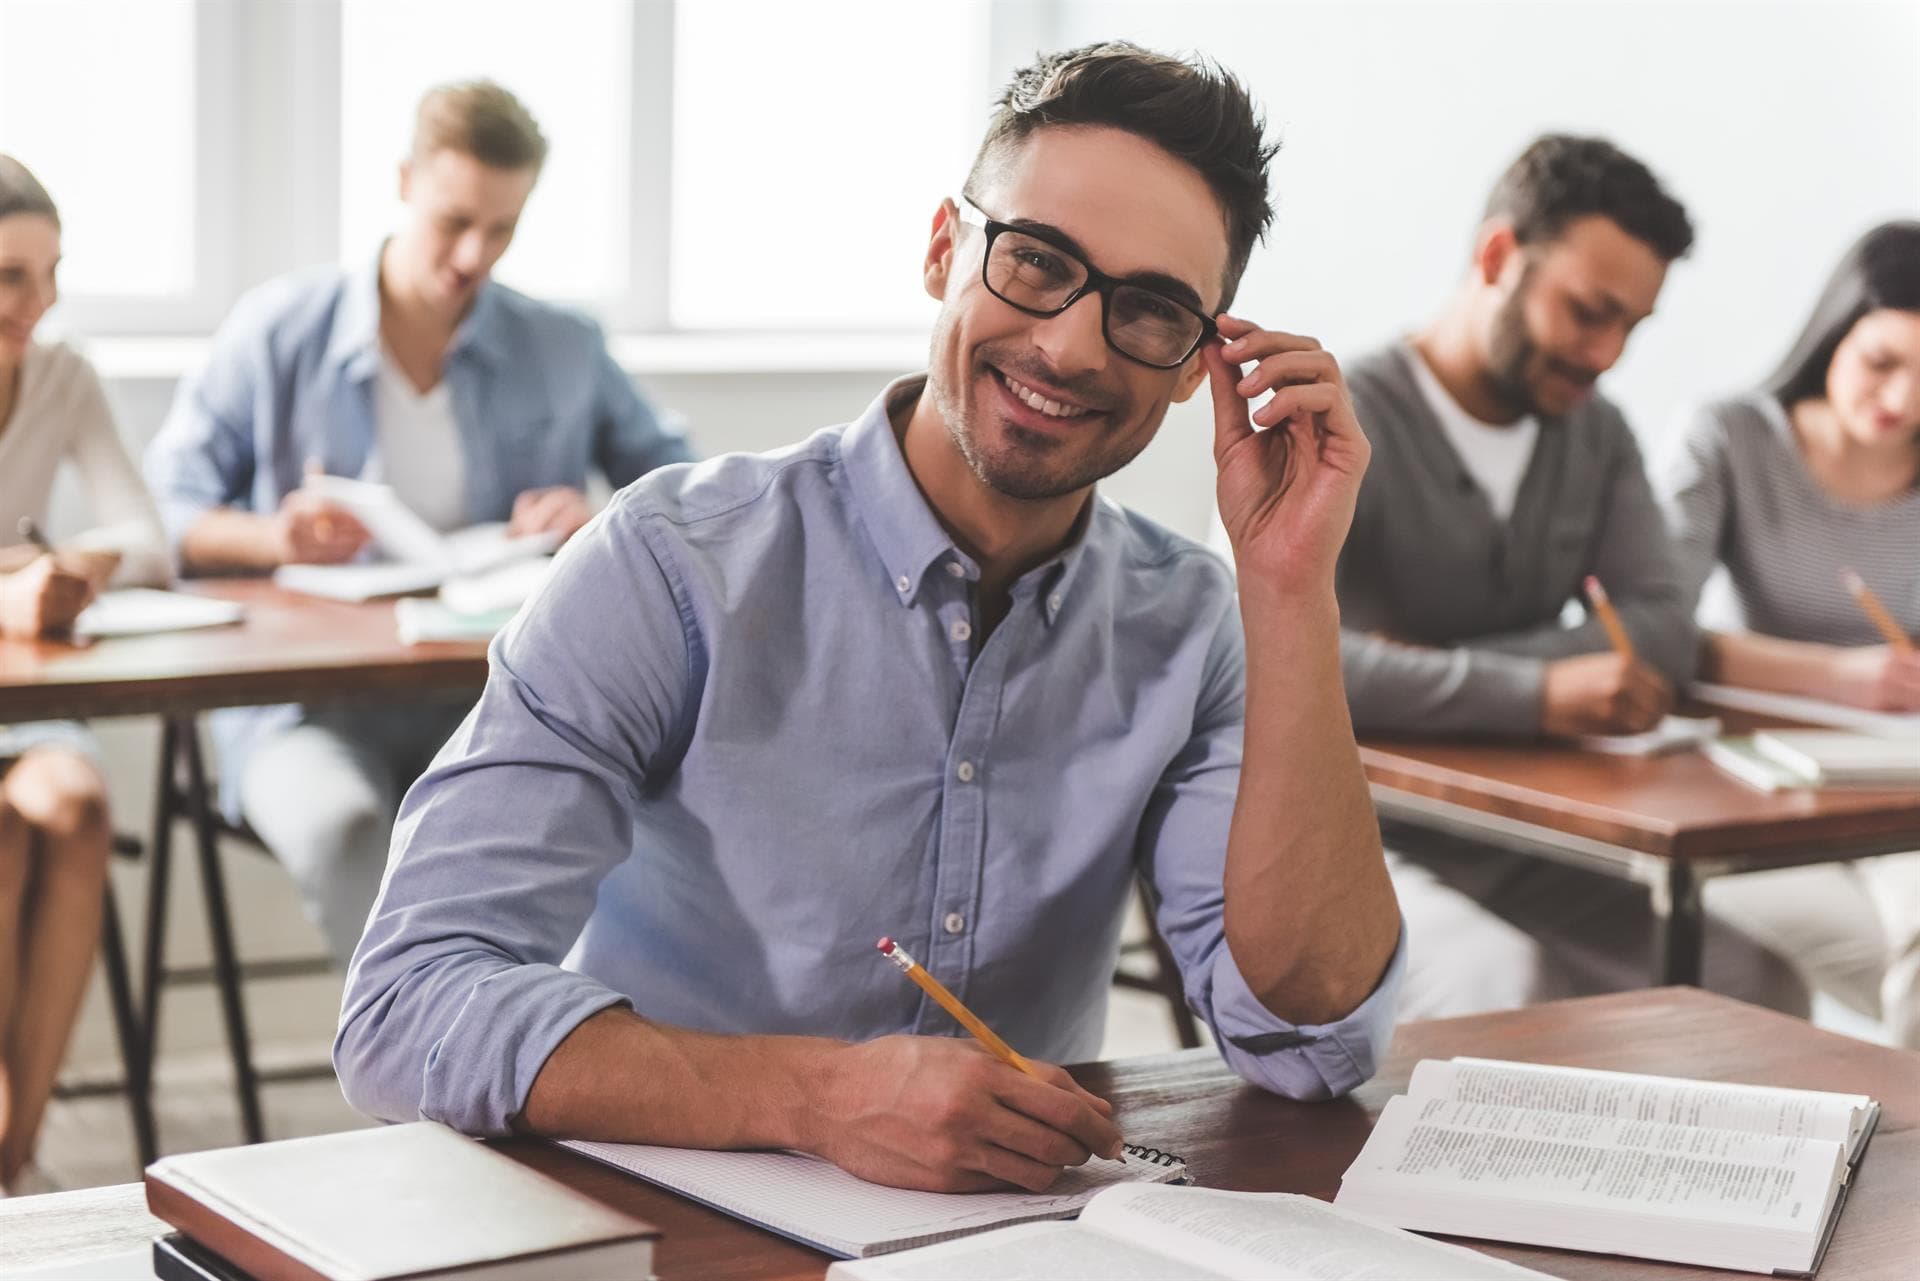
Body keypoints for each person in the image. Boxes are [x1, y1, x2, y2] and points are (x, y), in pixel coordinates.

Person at [337, 43, 1404, 1194]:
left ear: (1199, 363)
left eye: (1148, 310)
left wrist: (1290, 585)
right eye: (1036, 262)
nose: (1068, 345)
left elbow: (1308, 1043)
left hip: (1013, 1236)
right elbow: (408, 1006)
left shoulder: (1191, 623)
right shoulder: (672, 563)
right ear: (946, 248)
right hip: (677, 1215)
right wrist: (814, 1099)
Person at [144, 81, 694, 966]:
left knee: (601, 827)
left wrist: (599, 518)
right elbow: (162, 516)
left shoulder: (562, 344)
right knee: (346, 827)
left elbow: (686, 492)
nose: (473, 255)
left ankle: (524, 1062)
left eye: (502, 230)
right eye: (454, 221)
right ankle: (421, 1069)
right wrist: (270, 539)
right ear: (404, 181)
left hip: (499, 696)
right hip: (304, 711)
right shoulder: (279, 331)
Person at [1334, 135, 1804, 1019]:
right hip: (1351, 830)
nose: (1607, 354)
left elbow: (1662, 623)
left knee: (1764, 987)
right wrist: (1538, 692)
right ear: (1498, 256)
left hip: (1518, 835)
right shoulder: (1340, 417)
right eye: (1589, 312)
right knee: (1506, 986)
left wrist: (1426, 665)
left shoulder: (1598, 434)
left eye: (1632, 325)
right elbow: (1289, 664)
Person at [1665, 220, 1920, 1046]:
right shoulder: (1732, 437)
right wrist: (1841, 676)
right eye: (1883, 362)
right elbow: (1654, 632)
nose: (1904, 400)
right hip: (1761, 772)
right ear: (1832, 332)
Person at [0, 155, 169, 1194]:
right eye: (14, 275)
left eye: (51, 272)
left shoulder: (64, 376)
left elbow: (148, 539)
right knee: (3, 834)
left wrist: (69, 568)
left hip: (29, 710)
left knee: (78, 806)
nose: (41, 300)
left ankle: (15, 1161)